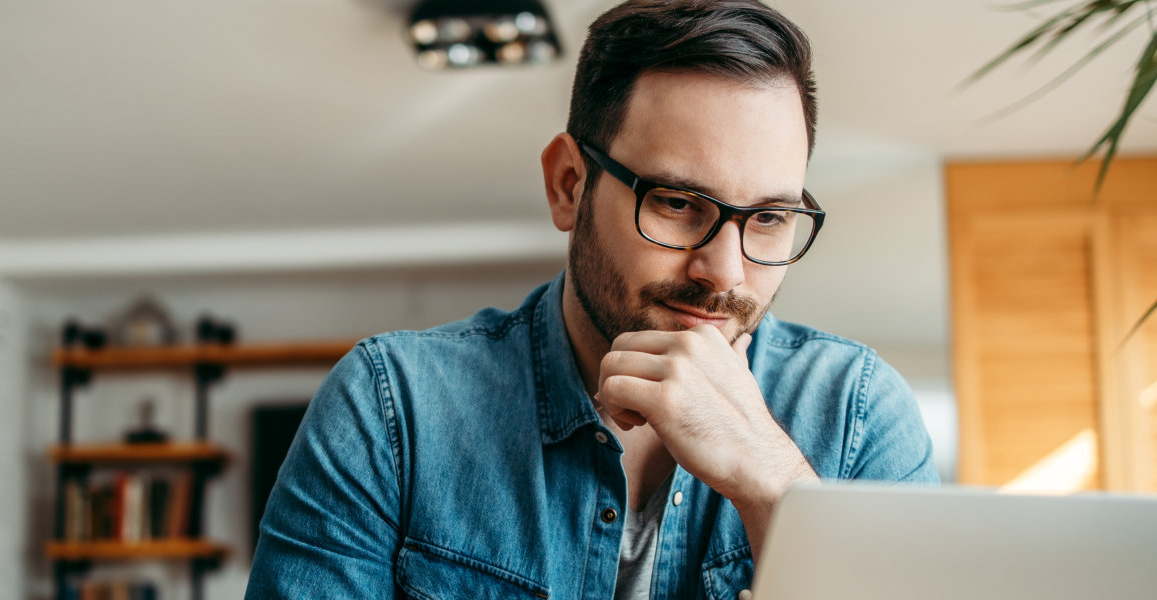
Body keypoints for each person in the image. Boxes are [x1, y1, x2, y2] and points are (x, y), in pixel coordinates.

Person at [246, 1, 936, 598]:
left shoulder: (858, 413)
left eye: (769, 218)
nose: (723, 272)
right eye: (676, 202)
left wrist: (774, 487)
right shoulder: (393, 410)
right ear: (569, 185)